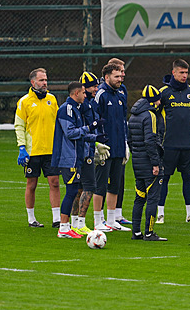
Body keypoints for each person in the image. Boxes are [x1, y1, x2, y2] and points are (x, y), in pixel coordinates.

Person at [15, 68, 60, 229]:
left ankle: (57, 218)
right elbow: (19, 126)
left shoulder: (52, 99)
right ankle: (31, 218)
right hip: (32, 151)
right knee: (31, 184)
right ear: (33, 82)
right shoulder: (24, 101)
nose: (45, 83)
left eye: (46, 79)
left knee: (54, 182)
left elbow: (58, 123)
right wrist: (22, 147)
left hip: (51, 150)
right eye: (41, 80)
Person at [51, 82, 97, 238]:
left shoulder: (75, 109)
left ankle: (67, 227)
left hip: (75, 156)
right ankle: (63, 228)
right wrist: (89, 128)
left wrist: (95, 138)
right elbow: (70, 133)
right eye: (83, 93)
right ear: (76, 93)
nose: (86, 96)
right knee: (71, 191)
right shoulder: (67, 109)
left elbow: (79, 134)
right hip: (68, 158)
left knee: (74, 190)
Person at [156, 59, 190, 225]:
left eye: (186, 73)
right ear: (173, 72)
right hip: (168, 144)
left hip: (188, 144)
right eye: (181, 72)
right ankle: (160, 214)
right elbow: (158, 116)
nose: (184, 76)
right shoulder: (163, 92)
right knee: (164, 178)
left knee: (187, 178)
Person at [94, 63, 130, 232]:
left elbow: (123, 121)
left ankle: (111, 219)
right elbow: (94, 120)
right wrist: (96, 143)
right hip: (104, 147)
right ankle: (97, 220)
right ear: (107, 77)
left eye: (121, 76)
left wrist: (125, 143)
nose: (120, 79)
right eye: (116, 76)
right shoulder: (100, 94)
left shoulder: (121, 94)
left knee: (115, 184)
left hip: (118, 146)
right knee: (100, 184)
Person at [128, 85, 167, 241]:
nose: (159, 103)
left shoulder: (133, 115)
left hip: (137, 162)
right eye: (158, 100)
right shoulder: (149, 116)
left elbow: (130, 140)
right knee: (152, 198)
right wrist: (155, 163)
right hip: (149, 163)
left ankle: (136, 232)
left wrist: (136, 155)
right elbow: (150, 141)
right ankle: (149, 233)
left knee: (139, 198)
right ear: (153, 100)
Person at [72, 71, 106, 234]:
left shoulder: (90, 103)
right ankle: (80, 223)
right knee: (89, 186)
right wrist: (95, 141)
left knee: (78, 187)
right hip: (84, 149)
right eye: (93, 86)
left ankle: (74, 223)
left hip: (86, 147)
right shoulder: (84, 105)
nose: (96, 88)